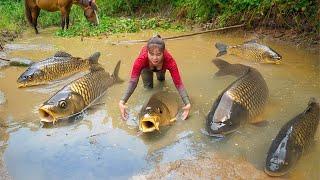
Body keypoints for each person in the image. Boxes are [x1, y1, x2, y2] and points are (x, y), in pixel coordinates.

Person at [119, 35, 191, 120]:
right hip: (146, 68)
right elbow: (133, 82)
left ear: (163, 52)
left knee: (161, 80)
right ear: (147, 52)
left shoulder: (169, 60)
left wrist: (187, 103)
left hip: (162, 68)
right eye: (151, 54)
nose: (155, 58)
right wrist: (122, 101)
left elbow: (178, 83)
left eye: (158, 54)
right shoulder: (141, 60)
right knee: (148, 88)